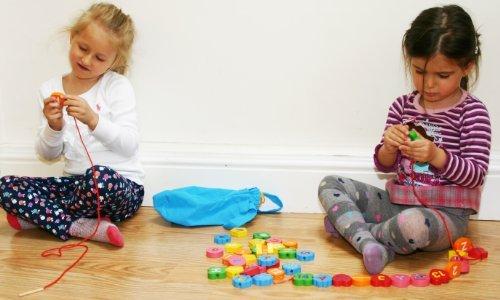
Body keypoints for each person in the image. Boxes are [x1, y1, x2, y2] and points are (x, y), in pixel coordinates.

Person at [318, 5, 491, 274]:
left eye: (442, 75)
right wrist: (388, 146)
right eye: (419, 71)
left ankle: (357, 233)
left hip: (443, 216)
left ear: (467, 67)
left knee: (412, 224)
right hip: (395, 203)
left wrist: (437, 156)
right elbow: (384, 165)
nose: (428, 84)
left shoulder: (473, 112)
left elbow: (475, 176)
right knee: (330, 184)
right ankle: (372, 242)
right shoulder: (402, 106)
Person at [0, 3, 144, 247]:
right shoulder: (49, 89)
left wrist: (93, 120)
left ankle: (45, 217)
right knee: (5, 186)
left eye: (99, 57)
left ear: (114, 60)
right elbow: (47, 154)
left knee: (99, 178)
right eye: (82, 48)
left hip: (118, 187)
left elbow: (129, 145)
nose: (87, 59)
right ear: (71, 37)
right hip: (73, 187)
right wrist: (53, 126)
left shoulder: (117, 86)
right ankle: (80, 225)